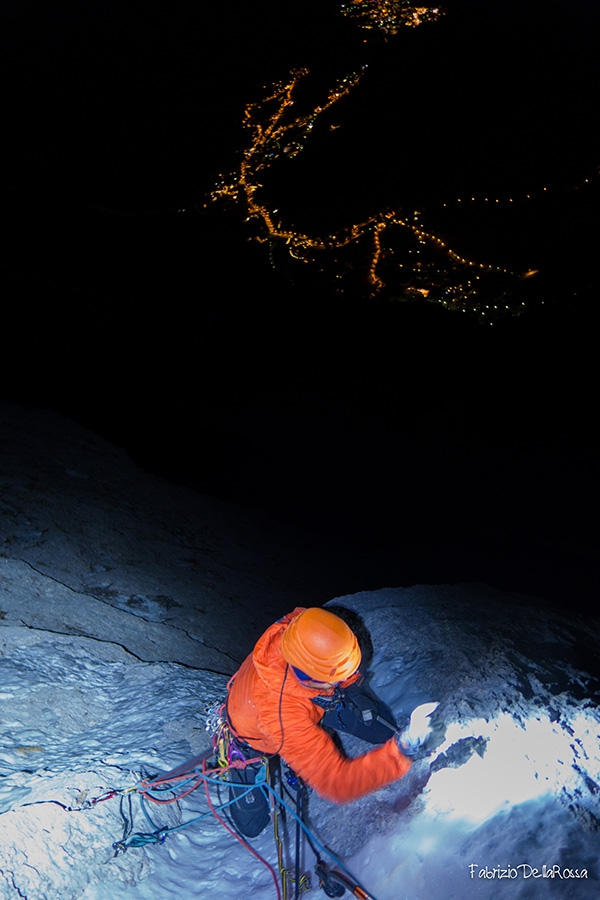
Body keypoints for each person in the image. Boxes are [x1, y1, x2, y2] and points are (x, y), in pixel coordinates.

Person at [224, 607, 433, 837]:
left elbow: (331, 649)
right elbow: (337, 782)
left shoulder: (304, 626)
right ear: (314, 680)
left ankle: (330, 706)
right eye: (337, 678)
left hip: (303, 692)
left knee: (380, 729)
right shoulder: (281, 713)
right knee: (252, 825)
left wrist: (353, 687)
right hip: (252, 734)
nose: (343, 679)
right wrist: (402, 749)